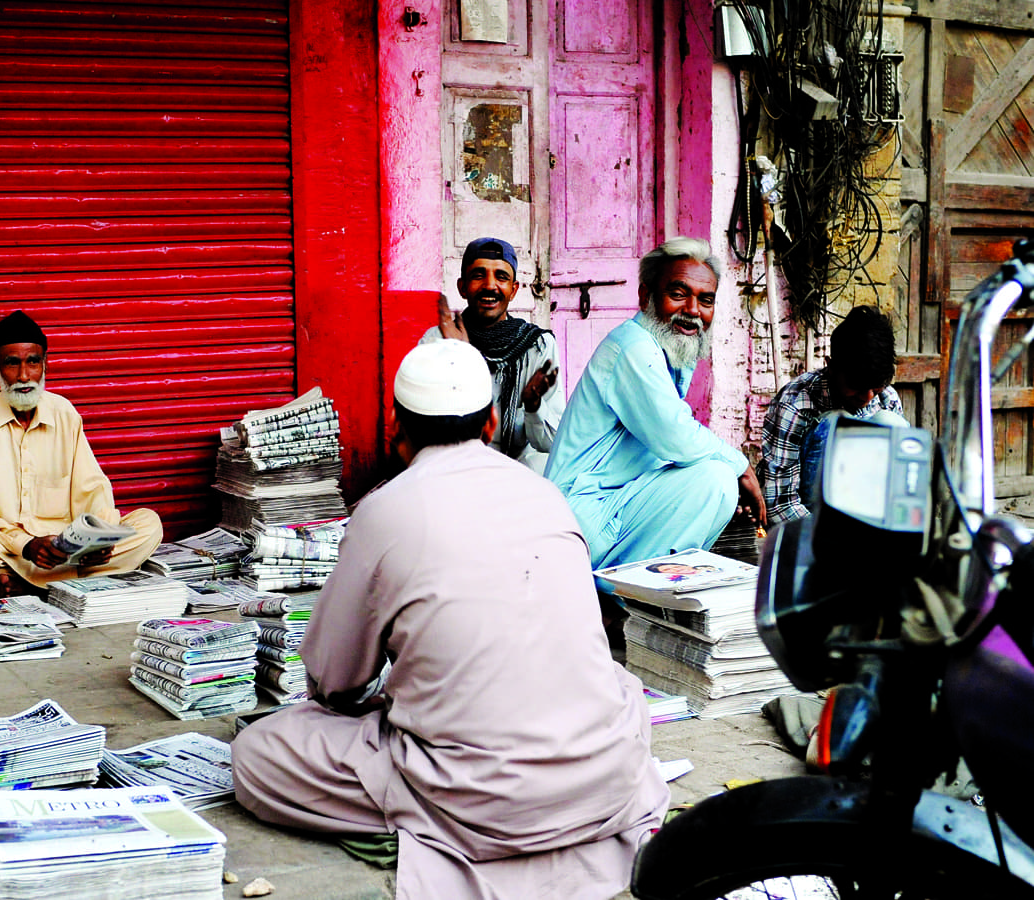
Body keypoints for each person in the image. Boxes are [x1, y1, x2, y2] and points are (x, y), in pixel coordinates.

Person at [231, 340, 668, 900]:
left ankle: (437, 830)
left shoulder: (383, 509)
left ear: (398, 427)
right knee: (622, 687)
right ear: (490, 423)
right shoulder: (545, 494)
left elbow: (334, 681)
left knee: (260, 752)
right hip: (601, 782)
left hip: (477, 799)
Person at [545, 237, 765, 570]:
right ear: (646, 296)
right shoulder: (634, 346)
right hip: (584, 517)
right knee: (717, 479)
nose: (693, 311)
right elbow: (675, 435)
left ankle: (634, 593)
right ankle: (624, 598)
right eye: (678, 294)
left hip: (614, 508)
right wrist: (742, 467)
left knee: (713, 482)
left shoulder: (667, 352)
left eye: (705, 300)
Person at [0, 310, 162, 599]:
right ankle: (67, 589)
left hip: (67, 550)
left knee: (148, 524)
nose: (24, 376)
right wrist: (27, 544)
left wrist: (100, 538)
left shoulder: (64, 413)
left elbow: (92, 488)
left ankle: (31, 590)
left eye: (33, 362)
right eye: (12, 364)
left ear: (45, 364)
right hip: (16, 549)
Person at [419, 237, 563, 474]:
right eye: (478, 275)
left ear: (514, 290)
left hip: (515, 470)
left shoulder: (537, 346)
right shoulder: (436, 341)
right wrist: (459, 362)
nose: (489, 285)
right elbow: (424, 431)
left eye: (501, 277)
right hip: (455, 470)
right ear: (462, 287)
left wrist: (534, 406)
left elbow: (551, 443)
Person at [760, 305, 906, 523]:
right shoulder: (796, 404)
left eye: (876, 387)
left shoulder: (887, 399)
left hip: (869, 521)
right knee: (833, 424)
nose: (867, 397)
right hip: (816, 525)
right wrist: (827, 540)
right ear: (830, 366)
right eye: (856, 385)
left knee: (892, 425)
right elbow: (780, 503)